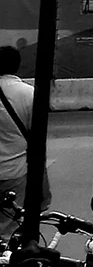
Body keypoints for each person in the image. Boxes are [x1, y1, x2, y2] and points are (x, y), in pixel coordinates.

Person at [0, 45, 51, 239]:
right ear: (18, 66)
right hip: (16, 172)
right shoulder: (30, 94)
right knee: (10, 226)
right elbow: (38, 142)